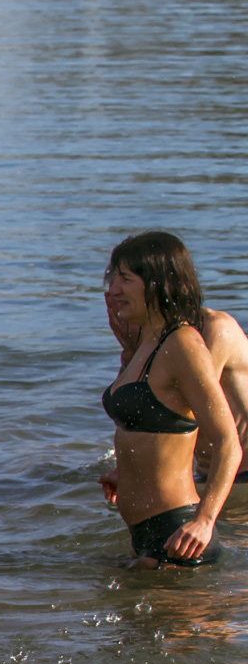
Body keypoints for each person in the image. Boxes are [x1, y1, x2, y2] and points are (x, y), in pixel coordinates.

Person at [98, 232, 241, 567]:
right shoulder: (145, 343)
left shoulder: (182, 344)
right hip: (144, 535)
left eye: (125, 279)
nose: (113, 290)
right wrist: (126, 467)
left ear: (158, 284)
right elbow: (157, 427)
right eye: (112, 278)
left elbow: (228, 441)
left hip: (179, 535)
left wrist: (204, 521)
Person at [107, 280, 248, 483]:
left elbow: (176, 413)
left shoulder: (214, 330)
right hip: (208, 475)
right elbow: (130, 416)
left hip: (242, 477)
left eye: (125, 280)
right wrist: (130, 353)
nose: (114, 293)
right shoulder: (156, 339)